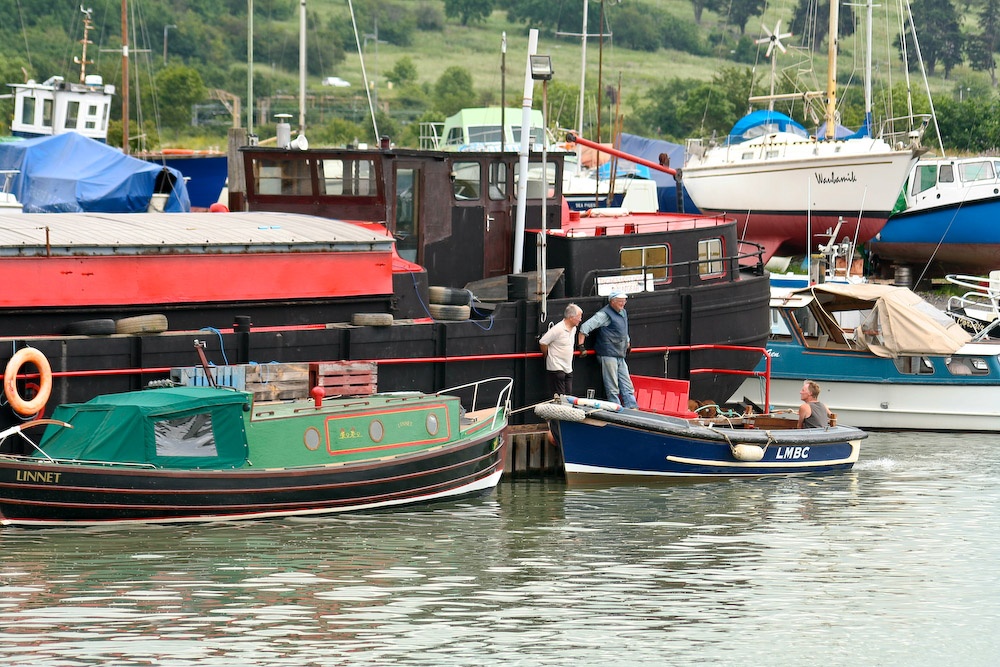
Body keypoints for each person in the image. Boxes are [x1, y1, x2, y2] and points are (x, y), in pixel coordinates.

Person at [577, 292, 638, 408]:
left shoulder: (622, 312)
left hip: (619, 353)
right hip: (608, 353)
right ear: (612, 301)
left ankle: (632, 407)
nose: (623, 303)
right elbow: (585, 327)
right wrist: (581, 346)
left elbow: (624, 331)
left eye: (624, 301)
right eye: (620, 301)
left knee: (626, 383)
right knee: (612, 384)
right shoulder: (604, 314)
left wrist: (627, 343)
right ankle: (616, 408)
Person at [538, 303, 583, 396]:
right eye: (579, 317)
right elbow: (543, 342)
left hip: (568, 368)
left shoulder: (574, 329)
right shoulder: (557, 329)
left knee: (568, 395)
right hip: (556, 368)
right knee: (560, 397)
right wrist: (546, 356)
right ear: (571, 317)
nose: (580, 319)